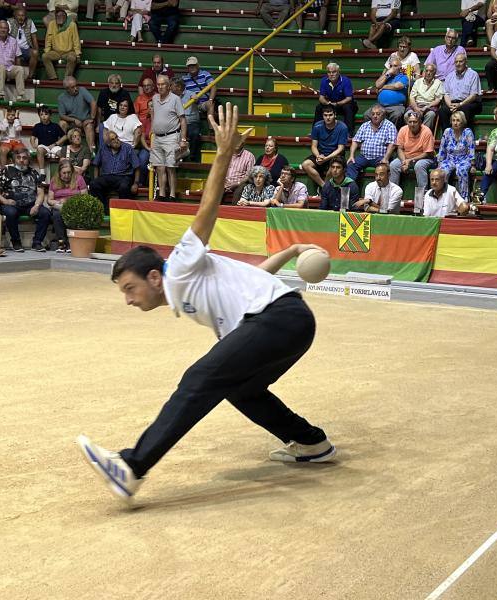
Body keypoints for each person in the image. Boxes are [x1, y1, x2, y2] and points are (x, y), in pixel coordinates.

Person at [76, 103, 336, 503]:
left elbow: (207, 209)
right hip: (289, 322)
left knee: (199, 379)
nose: (128, 300)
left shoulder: (178, 265)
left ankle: (132, 467)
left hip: (280, 319)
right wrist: (292, 250)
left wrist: (224, 154)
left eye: (129, 289)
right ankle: (311, 442)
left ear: (152, 277)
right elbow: (257, 278)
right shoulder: (189, 284)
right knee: (240, 388)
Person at [0, 147, 50, 252]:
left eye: (24, 157)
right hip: (11, 204)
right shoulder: (5, 170)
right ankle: (16, 242)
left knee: (45, 213)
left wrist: (36, 206)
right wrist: (4, 201)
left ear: (28, 159)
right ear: (14, 159)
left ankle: (37, 242)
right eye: (18, 157)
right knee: (10, 213)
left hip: (30, 204)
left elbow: (40, 192)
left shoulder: (34, 172)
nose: (21, 160)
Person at [149, 75, 187, 203]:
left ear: (168, 85)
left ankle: (172, 195)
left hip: (171, 136)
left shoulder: (175, 99)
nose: (160, 87)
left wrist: (183, 139)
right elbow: (154, 116)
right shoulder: (154, 98)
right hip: (157, 137)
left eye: (162, 84)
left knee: (171, 167)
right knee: (159, 167)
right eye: (158, 84)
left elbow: (182, 120)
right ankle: (161, 193)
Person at [89, 130, 141, 211]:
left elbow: (137, 167)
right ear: (108, 144)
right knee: (93, 184)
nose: (116, 140)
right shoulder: (103, 148)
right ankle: (104, 209)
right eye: (113, 139)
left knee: (124, 187)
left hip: (123, 176)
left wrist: (136, 183)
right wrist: (96, 178)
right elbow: (96, 165)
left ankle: (122, 211)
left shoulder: (127, 148)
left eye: (116, 137)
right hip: (106, 176)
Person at [301, 105, 348, 189]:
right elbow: (314, 146)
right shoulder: (317, 126)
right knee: (305, 164)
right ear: (323, 116)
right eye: (325, 115)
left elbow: (340, 148)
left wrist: (326, 158)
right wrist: (318, 156)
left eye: (330, 115)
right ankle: (324, 187)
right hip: (321, 154)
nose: (328, 118)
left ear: (335, 115)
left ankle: (325, 189)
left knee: (333, 168)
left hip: (335, 155)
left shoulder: (342, 127)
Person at [346, 104, 397, 181]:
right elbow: (355, 141)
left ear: (383, 115)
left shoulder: (389, 126)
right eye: (373, 114)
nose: (375, 116)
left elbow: (392, 144)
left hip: (380, 158)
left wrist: (386, 158)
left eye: (378, 114)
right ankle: (351, 190)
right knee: (351, 165)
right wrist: (351, 155)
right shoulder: (365, 125)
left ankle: (381, 190)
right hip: (364, 157)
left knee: (383, 168)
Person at [432, 111, 476, 200]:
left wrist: (472, 165)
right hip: (449, 159)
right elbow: (442, 149)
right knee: (443, 172)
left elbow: (471, 148)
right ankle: (443, 198)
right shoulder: (447, 131)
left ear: (462, 122)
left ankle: (463, 199)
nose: (455, 123)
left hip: (464, 159)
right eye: (453, 120)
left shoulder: (467, 132)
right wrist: (439, 164)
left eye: (458, 120)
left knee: (461, 170)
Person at [47, 158, 87, 252]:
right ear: (59, 172)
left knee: (73, 213)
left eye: (69, 172)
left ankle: (70, 243)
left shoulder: (79, 179)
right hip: (59, 206)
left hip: (75, 205)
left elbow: (85, 196)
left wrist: (70, 201)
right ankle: (62, 242)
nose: (66, 175)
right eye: (64, 173)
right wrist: (59, 202)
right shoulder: (54, 180)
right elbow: (49, 200)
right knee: (57, 214)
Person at [388, 110, 435, 191]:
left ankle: (423, 194)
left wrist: (410, 160)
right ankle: (393, 193)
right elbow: (399, 148)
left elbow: (427, 153)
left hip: (424, 158)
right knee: (393, 165)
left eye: (415, 122)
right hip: (406, 158)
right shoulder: (403, 130)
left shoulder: (426, 131)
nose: (412, 124)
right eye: (410, 122)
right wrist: (404, 162)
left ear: (420, 122)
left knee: (419, 166)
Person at [437, 54, 482, 132]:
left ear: (466, 62)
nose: (458, 64)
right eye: (456, 62)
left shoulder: (473, 74)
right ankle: (447, 136)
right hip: (453, 103)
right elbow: (446, 94)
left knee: (465, 109)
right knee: (442, 110)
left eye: (460, 61)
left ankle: (466, 136)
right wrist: (450, 105)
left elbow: (473, 95)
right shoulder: (449, 76)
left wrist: (460, 104)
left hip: (469, 103)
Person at [104, 98, 148, 175]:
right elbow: (105, 131)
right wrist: (108, 144)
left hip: (129, 147)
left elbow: (138, 132)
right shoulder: (112, 117)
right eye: (121, 105)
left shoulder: (133, 117)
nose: (122, 107)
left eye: (125, 106)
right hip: (114, 145)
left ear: (129, 108)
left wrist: (132, 146)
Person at [365, 57, 408, 125]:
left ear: (400, 68)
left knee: (396, 115)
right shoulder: (386, 77)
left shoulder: (403, 77)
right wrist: (387, 74)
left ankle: (392, 133)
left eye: (395, 66)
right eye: (391, 66)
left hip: (396, 106)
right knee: (367, 114)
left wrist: (384, 87)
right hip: (380, 106)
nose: (392, 68)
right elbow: (377, 85)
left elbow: (398, 86)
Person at [314, 62, 356, 132]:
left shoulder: (345, 80)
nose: (331, 74)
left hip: (344, 103)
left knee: (348, 108)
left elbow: (349, 98)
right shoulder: (324, 80)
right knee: (319, 107)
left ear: (338, 72)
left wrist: (337, 103)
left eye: (333, 72)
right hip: (331, 104)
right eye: (329, 72)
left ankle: (349, 133)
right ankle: (315, 131)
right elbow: (321, 98)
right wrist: (327, 103)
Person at [58, 76, 97, 151]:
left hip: (85, 121)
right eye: (73, 87)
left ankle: (91, 151)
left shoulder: (82, 90)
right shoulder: (61, 98)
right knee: (62, 123)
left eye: (76, 85)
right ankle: (61, 149)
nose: (76, 88)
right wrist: (74, 120)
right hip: (72, 123)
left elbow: (93, 102)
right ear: (67, 89)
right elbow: (62, 115)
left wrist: (92, 118)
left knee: (89, 126)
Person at [42, 7, 81, 80]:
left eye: (62, 16)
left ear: (65, 17)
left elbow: (76, 40)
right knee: (45, 56)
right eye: (58, 16)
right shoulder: (51, 24)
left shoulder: (72, 25)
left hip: (69, 52)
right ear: (55, 17)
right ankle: (53, 77)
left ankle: (67, 78)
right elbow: (48, 39)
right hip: (56, 52)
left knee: (72, 57)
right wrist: (47, 51)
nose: (60, 18)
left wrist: (77, 54)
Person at [408, 64, 444, 129]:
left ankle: (423, 134)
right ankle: (413, 134)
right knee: (407, 115)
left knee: (431, 115)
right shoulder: (418, 82)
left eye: (431, 71)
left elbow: (437, 100)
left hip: (429, 107)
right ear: (424, 72)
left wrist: (426, 107)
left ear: (434, 72)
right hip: (416, 105)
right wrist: (416, 108)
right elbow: (412, 97)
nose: (428, 73)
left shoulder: (438, 83)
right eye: (426, 71)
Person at [31, 105, 66, 172]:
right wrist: (34, 145)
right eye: (41, 114)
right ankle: (42, 173)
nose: (44, 116)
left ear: (50, 115)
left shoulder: (55, 126)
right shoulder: (37, 126)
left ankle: (62, 171)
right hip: (43, 147)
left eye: (46, 114)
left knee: (63, 153)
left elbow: (65, 136)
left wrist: (56, 143)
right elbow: (32, 138)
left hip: (54, 146)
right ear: (39, 116)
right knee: (40, 149)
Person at [8, 6, 39, 79]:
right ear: (15, 16)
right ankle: (17, 76)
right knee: (17, 55)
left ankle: (31, 75)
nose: (21, 17)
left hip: (26, 49)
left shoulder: (30, 22)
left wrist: (37, 51)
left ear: (25, 16)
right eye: (18, 15)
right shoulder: (9, 22)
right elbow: (6, 37)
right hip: (13, 48)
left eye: (23, 15)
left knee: (35, 53)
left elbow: (34, 38)